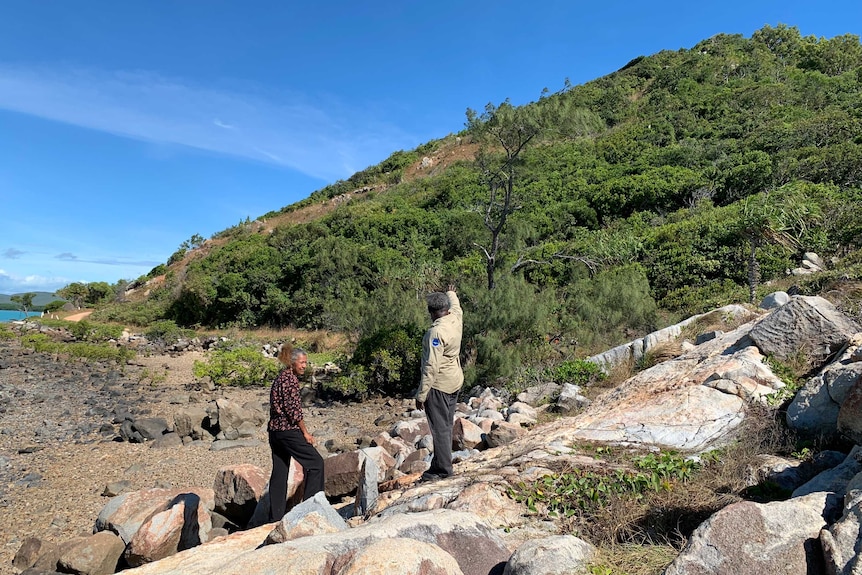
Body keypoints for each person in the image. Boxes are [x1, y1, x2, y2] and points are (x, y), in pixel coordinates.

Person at [267, 344, 324, 521]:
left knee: (280, 472)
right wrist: (306, 433)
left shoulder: (280, 378)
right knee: (316, 463)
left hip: (275, 432)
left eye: (306, 363)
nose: (304, 366)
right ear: (292, 363)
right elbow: (294, 412)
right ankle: (309, 511)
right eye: (302, 362)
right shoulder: (290, 380)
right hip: (287, 431)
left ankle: (275, 517)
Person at [416, 284, 463, 481]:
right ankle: (440, 461)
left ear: (432, 312)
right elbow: (457, 306)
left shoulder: (435, 333)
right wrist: (451, 292)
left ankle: (442, 470)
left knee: (440, 428)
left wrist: (421, 394)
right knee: (446, 422)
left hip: (439, 386)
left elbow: (431, 367)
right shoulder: (456, 318)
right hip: (455, 380)